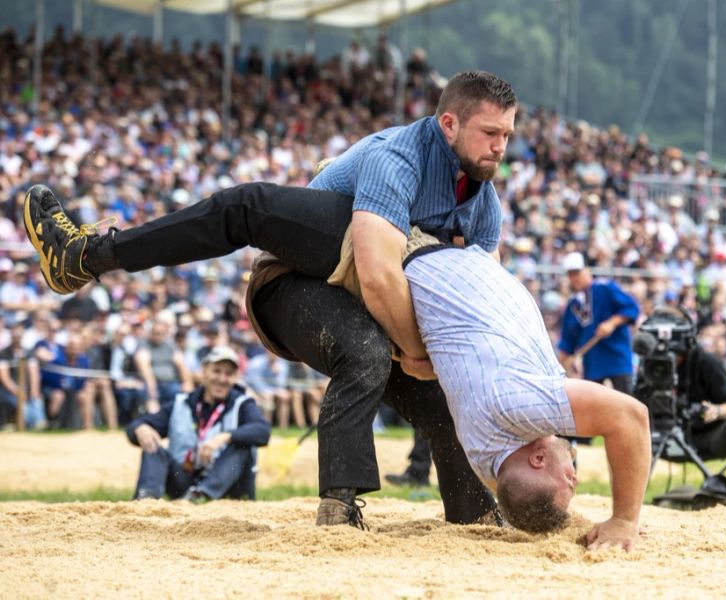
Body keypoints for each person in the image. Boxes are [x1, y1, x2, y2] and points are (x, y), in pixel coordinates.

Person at [24, 70, 517, 530]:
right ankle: (85, 256)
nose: (500, 148)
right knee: (249, 206)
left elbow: (479, 302)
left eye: (507, 136)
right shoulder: (399, 156)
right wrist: (415, 351)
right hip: (296, 280)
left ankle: (475, 520)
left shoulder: (484, 205)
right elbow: (377, 274)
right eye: (490, 133)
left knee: (439, 395)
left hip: (370, 306)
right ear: (448, 124)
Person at [25, 188, 650, 551]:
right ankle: (356, 505)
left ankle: (88, 255)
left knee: (400, 373)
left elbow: (618, 423)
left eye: (572, 472)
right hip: (325, 280)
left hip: (355, 278)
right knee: (385, 360)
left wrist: (605, 518)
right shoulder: (406, 181)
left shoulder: (508, 423)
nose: (576, 462)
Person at [126, 345, 272, 502]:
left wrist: (225, 437)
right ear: (204, 371)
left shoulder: (243, 403)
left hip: (228, 487)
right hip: (184, 481)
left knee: (242, 445)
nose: (222, 379)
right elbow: (135, 426)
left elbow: (263, 431)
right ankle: (146, 499)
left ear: (235, 377)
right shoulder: (181, 403)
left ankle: (204, 495)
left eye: (229, 374)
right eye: (216, 371)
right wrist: (139, 428)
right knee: (151, 443)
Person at [640, 307, 726, 482]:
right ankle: (626, 502)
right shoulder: (649, 366)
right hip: (655, 437)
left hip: (703, 437)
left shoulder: (706, 362)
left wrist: (716, 410)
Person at [557, 251, 639, 394]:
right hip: (592, 362)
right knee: (593, 406)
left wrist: (612, 323)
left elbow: (631, 307)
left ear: (587, 270)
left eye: (577, 272)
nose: (574, 278)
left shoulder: (605, 287)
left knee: (627, 400)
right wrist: (560, 366)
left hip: (616, 356)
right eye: (570, 274)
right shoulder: (573, 304)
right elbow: (567, 341)